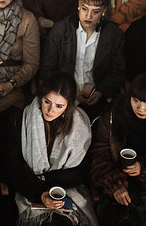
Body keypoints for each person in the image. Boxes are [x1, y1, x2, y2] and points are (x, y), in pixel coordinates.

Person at [90, 72, 146, 225]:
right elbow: (99, 155)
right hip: (111, 185)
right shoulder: (113, 115)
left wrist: (143, 170)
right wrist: (115, 185)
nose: (141, 108)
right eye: (136, 100)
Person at [8, 72, 98, 225]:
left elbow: (81, 171)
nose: (50, 110)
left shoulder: (79, 124)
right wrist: (40, 192)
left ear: (68, 106)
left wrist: (45, 178)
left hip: (67, 189)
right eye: (47, 102)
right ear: (40, 97)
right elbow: (13, 165)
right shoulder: (20, 118)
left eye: (59, 106)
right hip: (30, 187)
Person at [40, 0, 125, 118]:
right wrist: (71, 92)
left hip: (98, 97)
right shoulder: (61, 30)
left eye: (95, 11)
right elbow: (47, 69)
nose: (88, 16)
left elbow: (117, 71)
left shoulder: (113, 34)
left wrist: (100, 91)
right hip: (62, 95)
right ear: (79, 5)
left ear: (104, 11)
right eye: (85, 9)